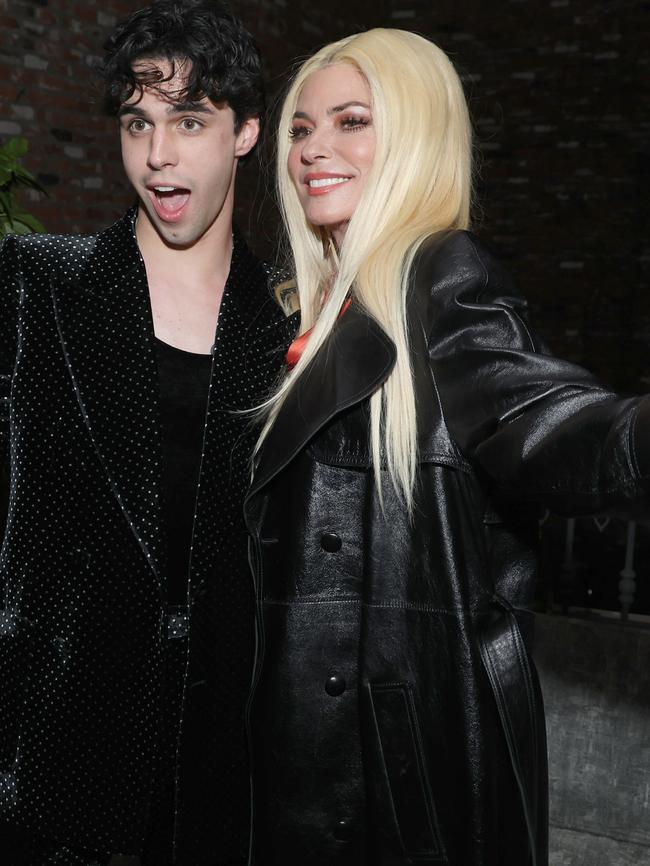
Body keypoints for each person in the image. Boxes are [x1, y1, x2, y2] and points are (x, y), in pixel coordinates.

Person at [243, 28, 650, 866]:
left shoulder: (441, 278)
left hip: (398, 776)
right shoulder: (314, 318)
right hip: (306, 763)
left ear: (416, 136)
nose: (315, 149)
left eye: (352, 121)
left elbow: (554, 423)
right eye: (301, 128)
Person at [0, 1, 297, 865]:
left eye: (190, 121)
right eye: (139, 123)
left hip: (223, 784)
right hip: (51, 769)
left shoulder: (294, 328)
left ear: (245, 132)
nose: (158, 156)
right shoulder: (38, 284)